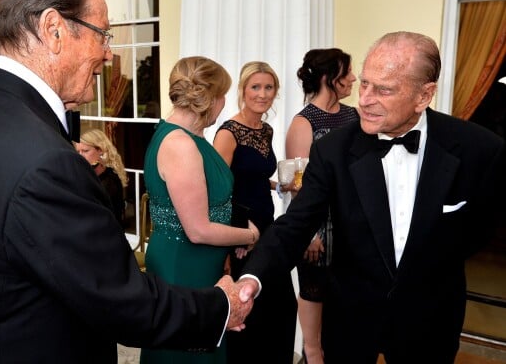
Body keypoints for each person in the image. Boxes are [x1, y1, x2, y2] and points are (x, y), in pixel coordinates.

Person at [0, 0, 254, 363]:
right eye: (103, 34)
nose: (108, 54)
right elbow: (119, 299)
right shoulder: (44, 160)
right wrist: (221, 306)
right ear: (53, 29)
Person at [236, 31, 506, 363]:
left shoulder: (479, 150)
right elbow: (295, 224)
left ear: (425, 95)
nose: (364, 98)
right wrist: (252, 277)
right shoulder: (333, 149)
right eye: (364, 84)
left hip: (430, 320)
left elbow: (481, 228)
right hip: (351, 320)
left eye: (384, 89)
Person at [140, 56, 261, 364]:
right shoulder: (180, 144)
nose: (223, 104)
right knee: (185, 350)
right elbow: (198, 229)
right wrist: (248, 235)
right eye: (221, 96)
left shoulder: (192, 137)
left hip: (200, 263)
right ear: (207, 98)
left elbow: (209, 207)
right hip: (183, 267)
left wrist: (231, 233)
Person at [213, 61, 296, 363]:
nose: (262, 94)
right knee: (250, 315)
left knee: (282, 306)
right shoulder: (228, 132)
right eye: (255, 87)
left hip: (268, 227)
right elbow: (218, 190)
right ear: (243, 90)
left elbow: (254, 176)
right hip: (241, 235)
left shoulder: (265, 129)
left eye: (269, 87)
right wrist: (238, 234)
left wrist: (280, 185)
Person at [285, 48, 358, 364]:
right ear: (331, 78)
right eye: (348, 73)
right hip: (320, 227)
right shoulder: (304, 122)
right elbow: (299, 186)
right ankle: (312, 354)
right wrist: (309, 233)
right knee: (314, 289)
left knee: (345, 296)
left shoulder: (355, 116)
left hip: (352, 223)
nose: (354, 78)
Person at [75, 128, 129, 228]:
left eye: (85, 151)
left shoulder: (109, 181)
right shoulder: (84, 174)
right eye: (78, 152)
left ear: (100, 150)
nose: (80, 156)